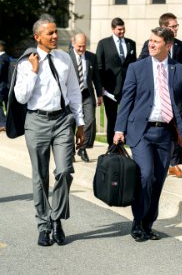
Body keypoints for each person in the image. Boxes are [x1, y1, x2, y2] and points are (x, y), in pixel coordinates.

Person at [113, 27, 182, 242]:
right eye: (150, 40)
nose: (151, 44)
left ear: (168, 46)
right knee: (145, 175)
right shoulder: (137, 68)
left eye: (156, 42)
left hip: (166, 134)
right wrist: (119, 128)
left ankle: (148, 224)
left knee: (158, 180)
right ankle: (137, 221)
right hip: (141, 131)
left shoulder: (180, 70)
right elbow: (127, 100)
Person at [13, 14, 85, 246]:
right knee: (40, 177)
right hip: (37, 122)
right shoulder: (26, 62)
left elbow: (74, 91)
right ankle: (43, 225)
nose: (56, 36)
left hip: (63, 120)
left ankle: (57, 218)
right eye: (50, 33)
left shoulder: (64, 58)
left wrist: (81, 123)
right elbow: (20, 97)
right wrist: (34, 70)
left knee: (64, 171)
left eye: (55, 32)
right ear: (38, 37)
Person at [138, 12, 182, 178]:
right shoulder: (150, 44)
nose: (176, 29)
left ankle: (175, 163)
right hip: (157, 96)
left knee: (177, 128)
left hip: (175, 96)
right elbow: (141, 65)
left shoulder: (179, 45)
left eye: (176, 26)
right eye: (173, 26)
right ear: (164, 27)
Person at [96, 17, 137, 147]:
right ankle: (112, 146)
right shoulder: (103, 43)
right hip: (109, 89)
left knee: (128, 117)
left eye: (123, 28)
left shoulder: (131, 43)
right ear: (113, 29)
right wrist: (100, 87)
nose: (122, 31)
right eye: (119, 29)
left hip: (127, 87)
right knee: (112, 118)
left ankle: (125, 143)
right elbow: (99, 66)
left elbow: (134, 65)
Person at [69, 33, 103, 162]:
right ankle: (71, 150)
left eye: (84, 46)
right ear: (73, 43)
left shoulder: (91, 57)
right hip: (71, 95)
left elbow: (96, 77)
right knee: (71, 123)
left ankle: (82, 148)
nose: (82, 49)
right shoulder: (67, 57)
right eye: (79, 46)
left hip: (86, 94)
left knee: (89, 121)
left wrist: (99, 94)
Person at [0, 40, 10, 132]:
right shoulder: (6, 57)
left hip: (2, 86)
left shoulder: (3, 58)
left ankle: (3, 124)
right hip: (4, 86)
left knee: (3, 105)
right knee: (6, 105)